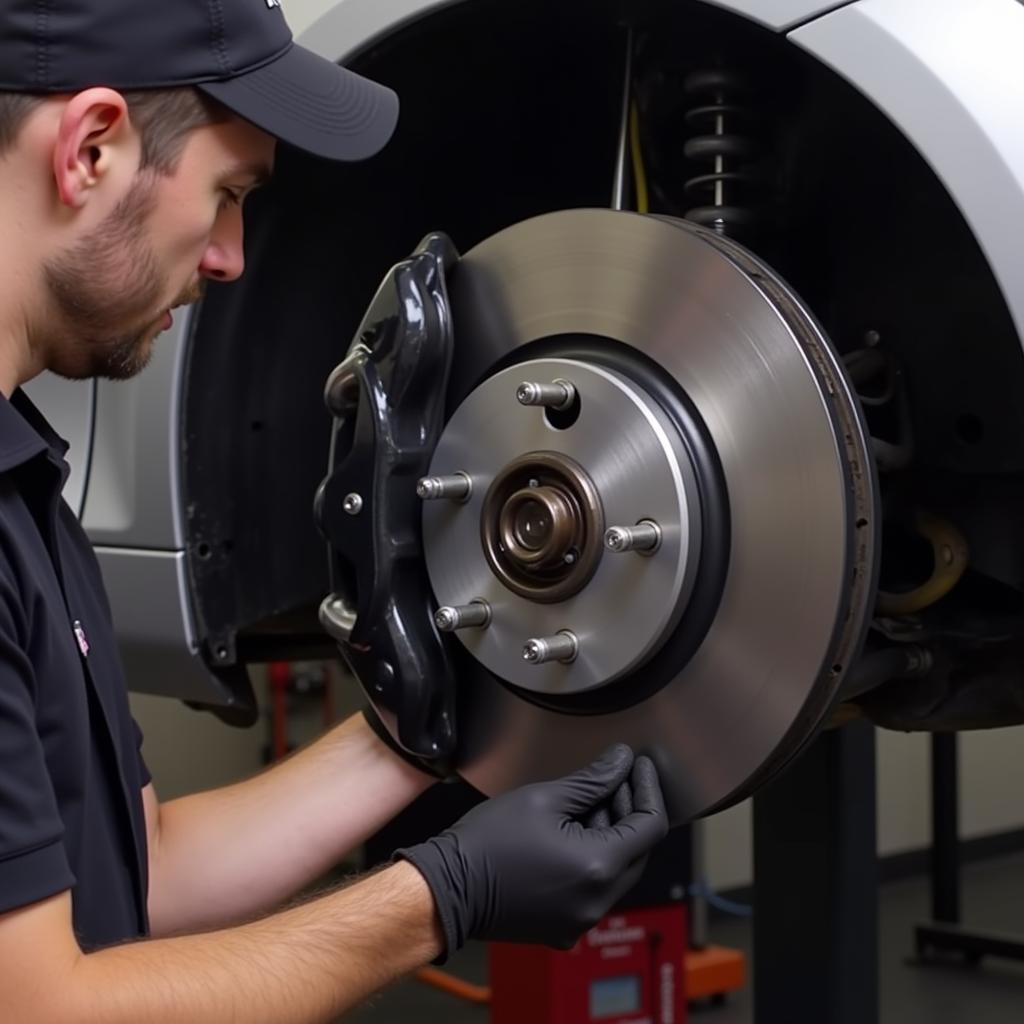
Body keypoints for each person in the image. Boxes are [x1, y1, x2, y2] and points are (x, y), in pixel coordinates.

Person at [0, 1, 669, 1021]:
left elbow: (143, 867)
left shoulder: (24, 481)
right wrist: (442, 896)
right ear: (90, 148)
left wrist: (413, 733)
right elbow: (42, 1005)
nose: (228, 255)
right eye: (226, 195)